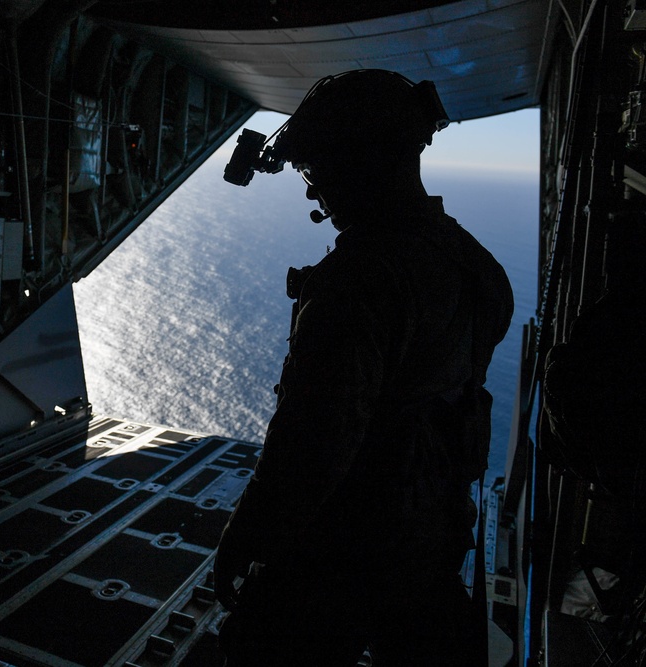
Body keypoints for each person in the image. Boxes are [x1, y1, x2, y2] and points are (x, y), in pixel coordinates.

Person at [214, 69, 514, 665]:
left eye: (316, 168)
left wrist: (246, 536)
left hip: (346, 548)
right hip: (433, 531)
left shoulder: (358, 282)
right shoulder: (477, 264)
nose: (311, 191)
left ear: (360, 160)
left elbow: (312, 443)